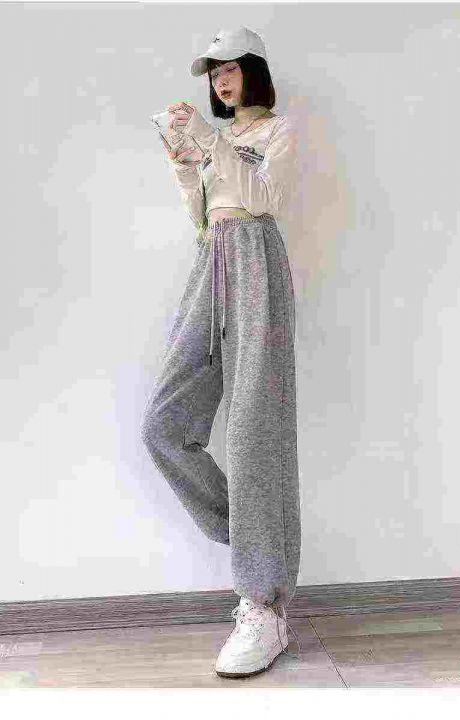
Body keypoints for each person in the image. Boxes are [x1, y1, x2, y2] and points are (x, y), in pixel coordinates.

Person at [140, 26, 302, 678]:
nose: (220, 80)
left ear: (253, 70)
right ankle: (260, 541)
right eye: (213, 73)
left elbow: (261, 199)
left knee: (253, 431)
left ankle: (264, 606)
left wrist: (210, 143)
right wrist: (184, 163)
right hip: (212, 260)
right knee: (164, 426)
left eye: (229, 68)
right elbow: (203, 215)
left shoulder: (279, 131)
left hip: (258, 258)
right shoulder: (220, 140)